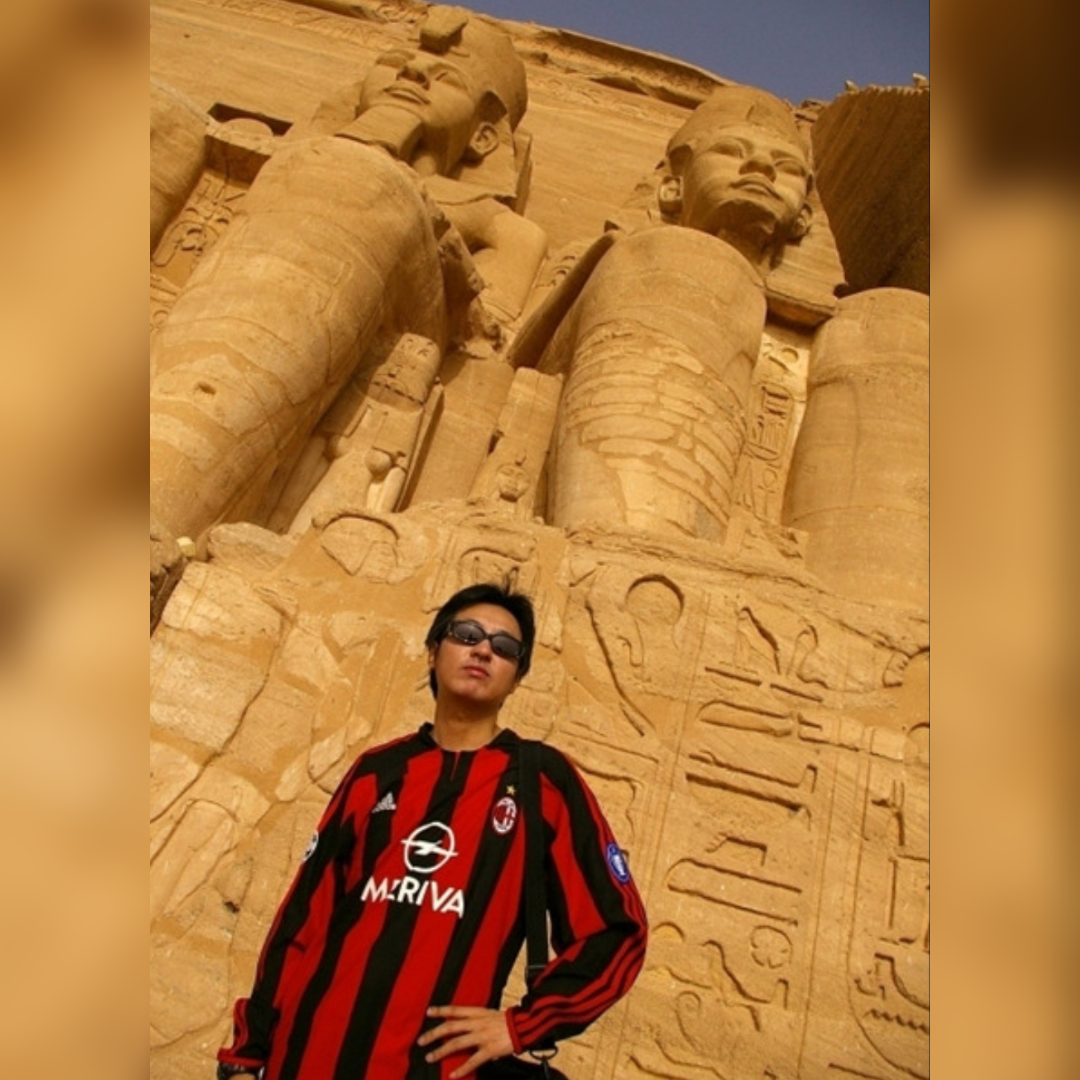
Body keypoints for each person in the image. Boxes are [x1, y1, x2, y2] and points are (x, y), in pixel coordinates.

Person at [215, 582, 648, 1080]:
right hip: (306, 1059)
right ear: (432, 652)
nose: (483, 650)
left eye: (505, 647)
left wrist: (523, 1026)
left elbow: (617, 930)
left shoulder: (541, 782)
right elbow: (302, 920)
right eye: (466, 634)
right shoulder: (376, 771)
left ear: (517, 679)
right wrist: (247, 1054)